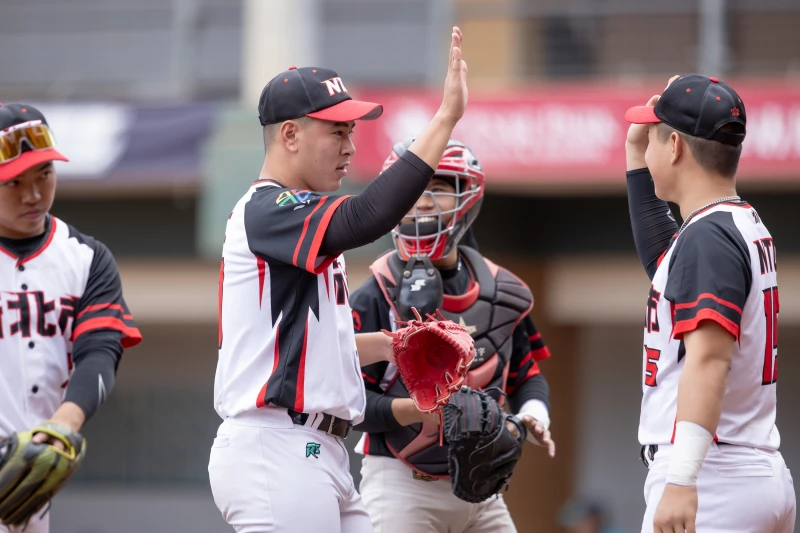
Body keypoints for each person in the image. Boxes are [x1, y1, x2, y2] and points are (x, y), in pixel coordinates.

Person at [207, 27, 471, 533]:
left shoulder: (295, 221)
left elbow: (318, 345)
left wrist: (392, 345)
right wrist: (445, 119)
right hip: (275, 448)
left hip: (314, 450)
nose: (350, 146)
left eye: (351, 132)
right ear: (290, 135)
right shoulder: (268, 208)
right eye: (337, 132)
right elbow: (368, 216)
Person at [349, 137, 555, 533]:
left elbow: (526, 375)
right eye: (412, 190)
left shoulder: (505, 290)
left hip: (484, 487)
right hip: (402, 485)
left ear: (469, 195)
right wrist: (419, 410)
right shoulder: (374, 293)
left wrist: (533, 416)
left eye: (439, 188)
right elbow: (352, 403)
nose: (423, 202)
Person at [624, 74, 796, 533]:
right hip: (741, 467)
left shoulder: (709, 237)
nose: (647, 144)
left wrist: (682, 479)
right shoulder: (733, 223)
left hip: (714, 478)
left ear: (675, 146)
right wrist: (636, 156)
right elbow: (665, 263)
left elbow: (709, 361)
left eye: (654, 137)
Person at [0, 103, 142, 533]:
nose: (32, 194)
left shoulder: (86, 259)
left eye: (43, 174)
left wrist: (64, 424)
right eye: (14, 181)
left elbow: (100, 350)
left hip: (30, 473)